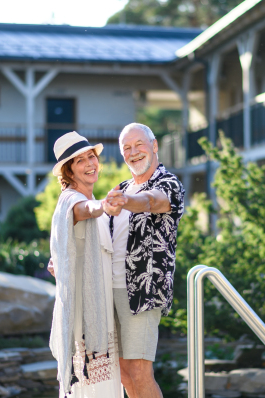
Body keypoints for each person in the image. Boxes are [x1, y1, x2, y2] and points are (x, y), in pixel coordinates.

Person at [103, 123, 185, 398]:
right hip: (109, 288)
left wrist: (126, 200)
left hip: (143, 291)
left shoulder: (168, 183)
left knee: (140, 371)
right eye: (126, 148)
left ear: (154, 146)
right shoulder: (121, 188)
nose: (133, 152)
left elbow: (151, 202)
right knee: (123, 373)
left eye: (139, 144)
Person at [48, 131, 123, 398]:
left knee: (103, 384)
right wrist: (102, 206)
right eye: (80, 161)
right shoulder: (73, 201)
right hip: (84, 311)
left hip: (99, 306)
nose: (90, 163)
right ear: (68, 172)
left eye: (92, 157)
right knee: (90, 386)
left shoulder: (88, 201)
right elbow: (83, 211)